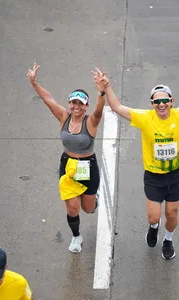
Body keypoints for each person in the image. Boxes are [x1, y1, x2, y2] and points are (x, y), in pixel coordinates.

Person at [92, 58, 179, 259]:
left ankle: (168, 239)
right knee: (154, 216)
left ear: (171, 102)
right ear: (152, 104)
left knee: (171, 214)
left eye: (165, 101)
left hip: (175, 175)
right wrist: (107, 87)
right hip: (154, 176)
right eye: (157, 101)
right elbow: (118, 107)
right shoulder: (145, 118)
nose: (161, 104)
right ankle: (154, 226)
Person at [27, 63, 105, 253]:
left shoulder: (91, 122)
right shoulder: (64, 116)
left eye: (81, 103)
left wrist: (102, 93)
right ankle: (76, 237)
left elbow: (99, 111)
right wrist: (34, 83)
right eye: (73, 102)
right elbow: (48, 99)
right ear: (69, 104)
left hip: (88, 166)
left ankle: (94, 199)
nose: (76, 106)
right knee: (72, 208)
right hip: (67, 165)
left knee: (88, 209)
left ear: (86, 106)